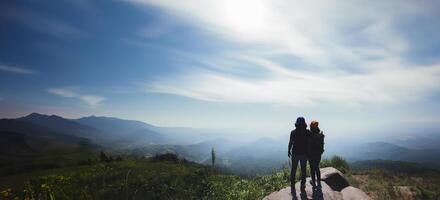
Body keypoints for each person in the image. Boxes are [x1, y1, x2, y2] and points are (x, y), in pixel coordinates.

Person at [288, 117, 310, 196]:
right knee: (303, 170)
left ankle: (293, 184)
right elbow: (310, 143)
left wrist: (288, 151)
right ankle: (302, 185)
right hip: (304, 154)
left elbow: (290, 142)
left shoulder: (293, 132)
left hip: (295, 154)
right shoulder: (307, 132)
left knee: (293, 170)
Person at [308, 120, 325, 190]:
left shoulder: (310, 134)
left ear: (311, 127)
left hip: (311, 154)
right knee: (317, 167)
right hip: (318, 153)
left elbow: (308, 145)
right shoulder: (321, 135)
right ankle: (318, 181)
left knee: (312, 168)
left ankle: (314, 182)